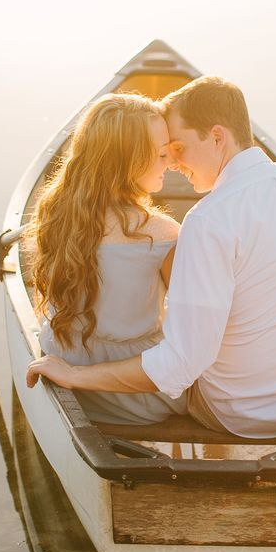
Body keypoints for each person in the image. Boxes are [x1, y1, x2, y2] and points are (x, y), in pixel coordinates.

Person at [27, 76, 276, 439]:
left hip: (239, 413)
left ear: (217, 137)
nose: (173, 161)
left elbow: (182, 359)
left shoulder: (206, 220)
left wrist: (76, 374)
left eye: (179, 147)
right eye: (165, 151)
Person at [26, 91, 186, 425]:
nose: (169, 163)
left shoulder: (55, 214)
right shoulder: (164, 233)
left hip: (67, 369)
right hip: (138, 395)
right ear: (129, 164)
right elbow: (190, 317)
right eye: (160, 154)